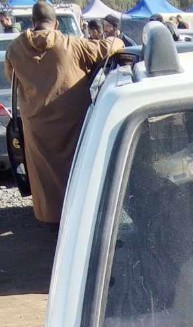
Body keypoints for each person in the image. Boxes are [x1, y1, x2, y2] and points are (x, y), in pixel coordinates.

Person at [3, 1, 123, 224]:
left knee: (45, 177)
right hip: (72, 125)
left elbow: (12, 80)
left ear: (32, 22)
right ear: (56, 24)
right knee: (76, 171)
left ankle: (51, 218)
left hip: (36, 126)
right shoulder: (71, 45)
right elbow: (108, 49)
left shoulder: (15, 50)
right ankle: (78, 220)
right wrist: (115, 37)